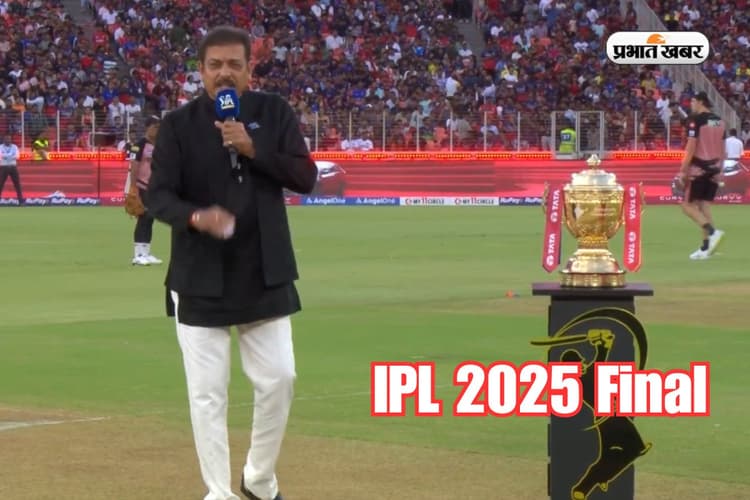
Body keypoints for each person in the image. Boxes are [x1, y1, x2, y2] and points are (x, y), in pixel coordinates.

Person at [146, 25, 318, 500]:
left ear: (249, 69)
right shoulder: (178, 124)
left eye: (234, 65)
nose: (224, 73)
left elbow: (305, 177)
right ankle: (218, 492)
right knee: (208, 395)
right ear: (201, 71)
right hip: (199, 275)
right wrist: (196, 217)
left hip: (264, 269)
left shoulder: (273, 112)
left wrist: (252, 149)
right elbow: (158, 196)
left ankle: (259, 479)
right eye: (215, 65)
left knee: (280, 378)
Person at [679, 91, 726, 260]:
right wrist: (720, 170)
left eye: (692, 101)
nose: (691, 105)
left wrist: (682, 170)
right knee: (703, 206)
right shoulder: (719, 121)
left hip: (698, 169)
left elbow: (691, 147)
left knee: (687, 206)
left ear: (700, 102)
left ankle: (712, 232)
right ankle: (706, 248)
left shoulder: (696, 121)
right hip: (714, 168)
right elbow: (723, 148)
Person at [128, 115, 163, 266]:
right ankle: (138, 254)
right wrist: (133, 187)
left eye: (159, 127)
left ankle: (146, 252)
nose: (157, 130)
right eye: (155, 127)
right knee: (143, 218)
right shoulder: (139, 145)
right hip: (142, 186)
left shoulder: (160, 144)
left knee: (150, 218)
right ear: (147, 128)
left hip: (154, 186)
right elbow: (134, 166)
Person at [0, 135, 23, 204]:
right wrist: (11, 156)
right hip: (3, 167)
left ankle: (21, 202)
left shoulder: (14, 147)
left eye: (9, 139)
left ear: (11, 140)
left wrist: (6, 156)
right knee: (0, 184)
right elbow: (0, 156)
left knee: (17, 184)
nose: (8, 140)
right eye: (6, 139)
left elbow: (17, 156)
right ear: (3, 140)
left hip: (13, 167)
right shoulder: (0, 147)